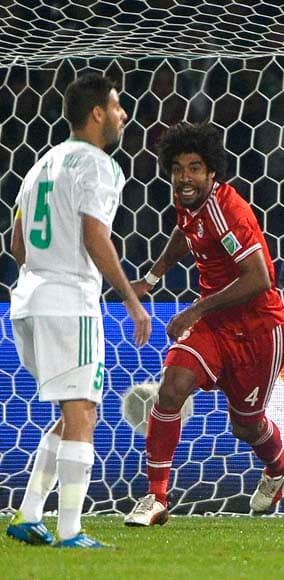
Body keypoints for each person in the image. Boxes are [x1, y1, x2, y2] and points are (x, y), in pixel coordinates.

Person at [123, 123, 284, 526]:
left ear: (212, 172)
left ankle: (279, 464)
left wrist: (195, 310)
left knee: (246, 425)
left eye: (195, 168)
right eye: (178, 168)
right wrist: (151, 278)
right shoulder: (187, 202)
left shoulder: (227, 209)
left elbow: (259, 278)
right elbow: (186, 234)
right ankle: (156, 498)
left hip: (260, 328)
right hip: (214, 325)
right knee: (172, 388)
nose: (185, 177)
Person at [5, 74, 151, 548]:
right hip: (70, 302)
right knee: (84, 410)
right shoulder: (98, 165)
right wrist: (132, 301)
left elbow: (16, 244)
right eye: (116, 106)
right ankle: (71, 530)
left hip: (28, 301)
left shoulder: (38, 166)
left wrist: (46, 271)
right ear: (96, 113)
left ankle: (28, 514)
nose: (122, 115)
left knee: (71, 413)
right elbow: (95, 234)